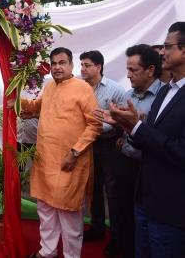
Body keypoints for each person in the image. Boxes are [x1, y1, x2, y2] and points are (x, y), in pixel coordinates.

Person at [15, 47, 102, 258]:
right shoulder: (50, 87)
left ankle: (71, 256)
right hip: (46, 160)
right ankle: (48, 251)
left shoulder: (83, 88)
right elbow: (37, 106)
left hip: (69, 160)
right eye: (53, 63)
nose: (57, 67)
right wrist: (17, 100)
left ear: (71, 65)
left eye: (62, 62)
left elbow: (95, 124)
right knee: (45, 210)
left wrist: (75, 152)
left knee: (69, 214)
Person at [108, 22, 185, 258]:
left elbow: (180, 152)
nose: (162, 52)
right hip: (144, 199)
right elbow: (148, 139)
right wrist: (128, 126)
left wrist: (137, 126)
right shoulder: (165, 91)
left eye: (167, 46)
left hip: (170, 207)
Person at [95, 44, 163, 258]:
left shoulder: (164, 96)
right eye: (128, 69)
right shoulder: (127, 95)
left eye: (133, 70)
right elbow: (123, 126)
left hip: (150, 166)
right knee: (119, 208)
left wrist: (136, 124)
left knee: (144, 218)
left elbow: (157, 134)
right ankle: (119, 245)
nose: (128, 75)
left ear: (150, 70)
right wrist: (117, 125)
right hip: (124, 160)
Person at [80, 51, 125, 257]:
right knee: (93, 188)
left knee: (113, 191)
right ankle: (97, 228)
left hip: (109, 146)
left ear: (99, 67)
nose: (82, 69)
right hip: (88, 145)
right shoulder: (79, 88)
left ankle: (117, 238)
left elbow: (124, 121)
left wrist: (98, 128)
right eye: (81, 65)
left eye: (87, 65)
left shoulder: (115, 89)